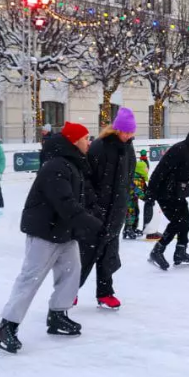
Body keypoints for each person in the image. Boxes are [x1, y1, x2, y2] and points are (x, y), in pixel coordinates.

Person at [0, 122, 103, 354]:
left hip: (65, 232)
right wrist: (90, 223)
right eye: (85, 138)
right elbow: (64, 202)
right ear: (74, 141)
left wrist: (95, 214)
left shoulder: (73, 163)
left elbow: (81, 197)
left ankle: (58, 316)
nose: (89, 142)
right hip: (45, 231)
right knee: (30, 278)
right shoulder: (56, 166)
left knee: (72, 272)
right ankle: (6, 327)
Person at [80, 108, 137, 310]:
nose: (129, 135)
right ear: (116, 129)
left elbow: (128, 178)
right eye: (126, 131)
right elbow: (85, 179)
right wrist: (93, 205)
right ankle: (68, 292)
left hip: (116, 211)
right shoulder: (98, 147)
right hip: (96, 211)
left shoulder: (129, 149)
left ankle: (105, 292)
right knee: (86, 254)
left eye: (132, 132)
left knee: (108, 255)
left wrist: (124, 201)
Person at [145, 123, 189, 270]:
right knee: (178, 221)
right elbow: (159, 172)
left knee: (185, 220)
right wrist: (150, 195)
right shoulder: (179, 150)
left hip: (177, 193)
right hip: (165, 193)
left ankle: (180, 252)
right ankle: (157, 251)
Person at [123, 159, 150, 239]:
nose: (146, 171)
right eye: (145, 169)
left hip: (133, 200)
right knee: (131, 214)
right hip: (129, 200)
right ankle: (128, 229)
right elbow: (136, 190)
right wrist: (145, 197)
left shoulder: (140, 179)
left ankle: (132, 228)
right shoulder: (135, 178)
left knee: (136, 212)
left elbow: (144, 189)